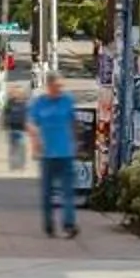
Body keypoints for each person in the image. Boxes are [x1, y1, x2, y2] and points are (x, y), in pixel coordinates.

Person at [28, 73, 81, 239]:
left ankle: (69, 224)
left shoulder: (67, 100)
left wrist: (76, 143)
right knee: (47, 193)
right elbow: (31, 124)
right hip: (47, 155)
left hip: (65, 152)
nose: (59, 89)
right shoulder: (40, 103)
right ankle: (49, 224)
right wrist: (35, 143)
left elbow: (73, 122)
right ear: (49, 86)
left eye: (61, 86)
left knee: (67, 192)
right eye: (56, 86)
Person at [2, 84, 30, 169]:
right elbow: (5, 114)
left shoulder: (25, 103)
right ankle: (13, 164)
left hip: (22, 128)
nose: (17, 93)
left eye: (19, 92)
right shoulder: (10, 102)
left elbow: (29, 114)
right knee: (13, 147)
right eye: (15, 92)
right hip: (12, 127)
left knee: (21, 146)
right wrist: (5, 124)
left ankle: (21, 164)